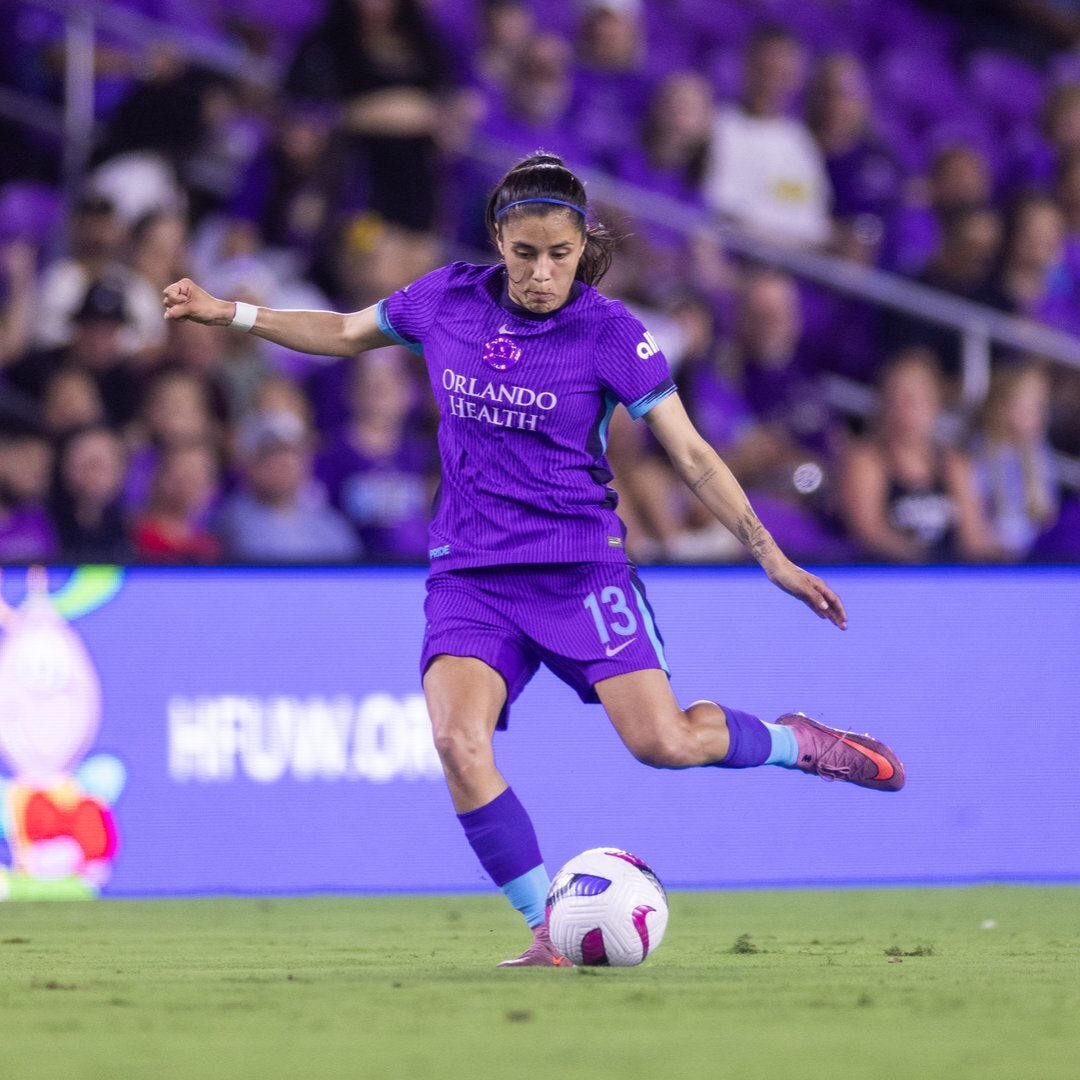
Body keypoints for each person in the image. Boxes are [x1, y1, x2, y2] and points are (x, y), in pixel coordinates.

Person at [163, 152, 905, 968]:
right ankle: (546, 928)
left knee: (662, 742)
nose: (542, 273)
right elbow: (342, 332)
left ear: (583, 245)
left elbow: (692, 455)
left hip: (579, 572)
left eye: (559, 255)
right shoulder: (445, 299)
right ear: (498, 240)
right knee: (458, 742)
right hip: (471, 578)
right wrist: (229, 313)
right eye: (525, 254)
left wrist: (772, 557)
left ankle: (797, 741)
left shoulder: (613, 334)